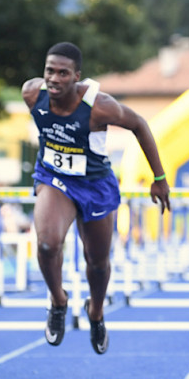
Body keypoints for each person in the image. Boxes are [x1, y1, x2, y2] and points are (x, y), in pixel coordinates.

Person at [22, 42, 171, 354]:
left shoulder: (100, 107)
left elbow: (140, 125)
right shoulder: (32, 94)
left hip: (95, 185)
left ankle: (97, 311)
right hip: (55, 179)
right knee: (48, 243)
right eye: (50, 71)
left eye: (64, 73)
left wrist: (158, 178)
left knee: (98, 262)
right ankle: (58, 302)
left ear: (78, 77)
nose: (55, 79)